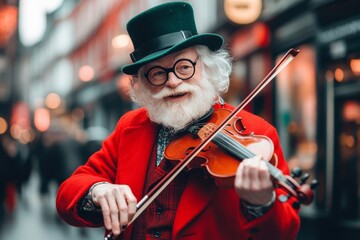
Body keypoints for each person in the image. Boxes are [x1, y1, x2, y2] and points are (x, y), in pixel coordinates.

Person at [56, 2, 301, 240]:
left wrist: (263, 204)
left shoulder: (256, 133)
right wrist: (99, 191)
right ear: (143, 84)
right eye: (157, 73)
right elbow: (69, 193)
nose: (172, 82)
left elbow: (284, 232)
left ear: (206, 67)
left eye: (184, 67)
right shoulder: (130, 126)